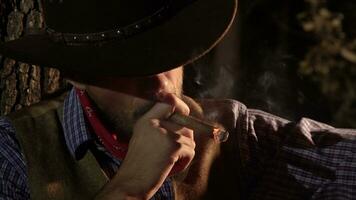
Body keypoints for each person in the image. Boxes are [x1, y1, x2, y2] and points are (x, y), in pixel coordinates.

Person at [0, 0, 355, 199]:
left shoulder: (237, 139)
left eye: (166, 59)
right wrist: (131, 187)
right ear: (77, 75)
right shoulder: (17, 156)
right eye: (132, 70)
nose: (162, 88)